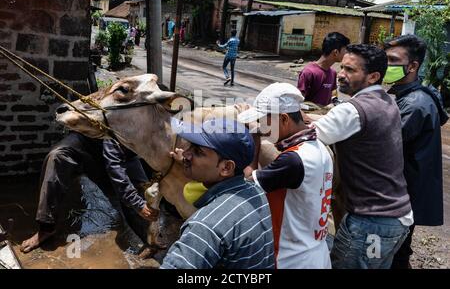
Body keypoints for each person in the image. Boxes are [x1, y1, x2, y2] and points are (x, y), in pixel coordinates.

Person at [313, 44, 413, 269]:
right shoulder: (388, 102)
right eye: (341, 68)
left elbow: (306, 137)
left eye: (350, 70)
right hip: (396, 219)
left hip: (371, 224)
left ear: (373, 76)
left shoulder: (351, 110)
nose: (341, 75)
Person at [238, 83, 334, 269]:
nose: (263, 128)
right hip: (316, 252)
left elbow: (246, 183)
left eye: (264, 122)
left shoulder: (293, 160)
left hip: (291, 259)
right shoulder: (318, 148)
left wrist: (254, 138)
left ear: (283, 119)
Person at [160, 119, 274, 269]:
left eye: (198, 152)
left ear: (226, 167)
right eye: (191, 147)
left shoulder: (205, 226)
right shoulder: (254, 192)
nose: (186, 154)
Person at [20, 132, 158, 253]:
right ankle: (46, 227)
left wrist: (138, 203)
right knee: (57, 156)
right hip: (88, 139)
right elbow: (114, 164)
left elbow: (115, 165)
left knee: (141, 196)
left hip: (123, 148)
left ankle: (151, 238)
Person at [383, 35, 449, 269]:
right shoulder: (411, 96)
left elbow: (382, 145)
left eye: (392, 60)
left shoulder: (414, 105)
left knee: (395, 255)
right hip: (406, 192)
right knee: (399, 250)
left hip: (402, 194)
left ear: (412, 66)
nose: (386, 65)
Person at [297, 32, 350, 106]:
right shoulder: (308, 72)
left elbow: (332, 94)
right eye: (345, 51)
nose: (346, 54)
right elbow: (298, 102)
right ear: (336, 52)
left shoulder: (333, 73)